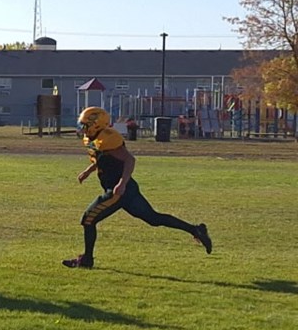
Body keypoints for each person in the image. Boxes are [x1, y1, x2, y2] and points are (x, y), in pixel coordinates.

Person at [62, 106, 212, 269]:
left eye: (85, 125)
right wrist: (88, 171)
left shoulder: (109, 138)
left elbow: (129, 160)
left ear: (96, 125)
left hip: (119, 191)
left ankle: (86, 261)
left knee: (88, 219)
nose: (82, 129)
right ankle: (195, 230)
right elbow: (102, 158)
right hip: (127, 190)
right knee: (153, 219)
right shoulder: (95, 139)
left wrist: (121, 183)